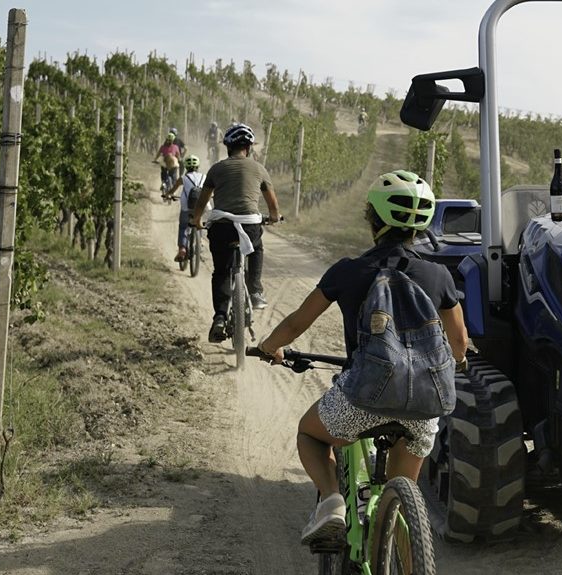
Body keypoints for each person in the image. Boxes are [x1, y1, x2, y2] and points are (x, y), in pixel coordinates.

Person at [255, 170, 469, 547]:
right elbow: (459, 342)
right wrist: (460, 360)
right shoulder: (439, 275)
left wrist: (268, 347)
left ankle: (332, 502)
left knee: (309, 433)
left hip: (364, 397)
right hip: (423, 405)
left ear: (373, 219)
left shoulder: (348, 271)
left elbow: (295, 322)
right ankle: (402, 556)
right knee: (401, 500)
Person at [190, 123, 281, 342]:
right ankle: (256, 290)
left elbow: (203, 199)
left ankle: (220, 317)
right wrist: (274, 217)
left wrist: (196, 219)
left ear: (228, 148)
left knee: (221, 271)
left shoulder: (217, 169)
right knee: (256, 247)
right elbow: (272, 204)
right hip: (250, 225)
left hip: (221, 226)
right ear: (248, 148)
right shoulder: (259, 169)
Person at [164, 154, 206, 264]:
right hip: (201, 206)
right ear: (198, 166)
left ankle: (182, 248)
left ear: (186, 167)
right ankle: (200, 241)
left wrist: (168, 195)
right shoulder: (204, 177)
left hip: (187, 207)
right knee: (199, 221)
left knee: (183, 226)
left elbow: (173, 189)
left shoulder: (183, 178)